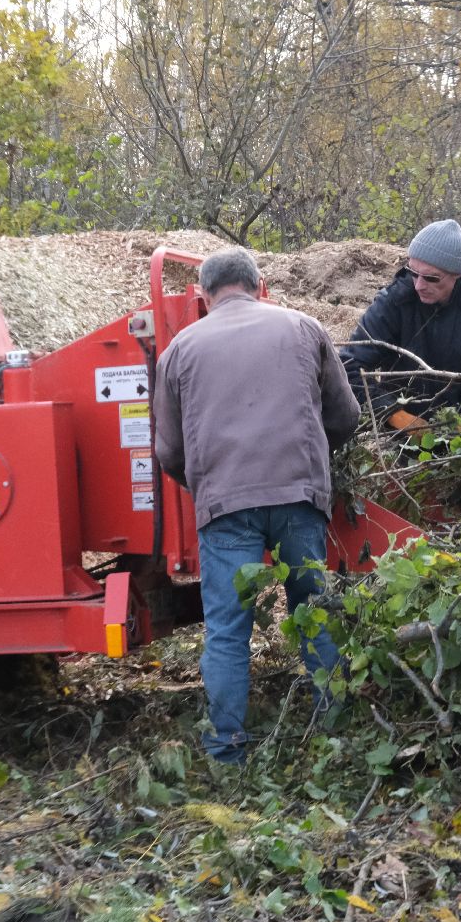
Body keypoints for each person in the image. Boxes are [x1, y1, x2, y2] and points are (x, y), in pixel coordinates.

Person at [153, 248, 361, 765]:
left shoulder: (178, 350)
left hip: (225, 506)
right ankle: (337, 738)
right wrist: (310, 462)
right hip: (298, 498)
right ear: (260, 285)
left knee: (227, 631)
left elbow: (169, 452)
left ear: (204, 296)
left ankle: (227, 753)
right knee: (313, 614)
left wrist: (208, 487)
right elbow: (345, 416)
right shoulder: (305, 328)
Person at [340, 219, 461, 429]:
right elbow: (350, 366)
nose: (419, 285)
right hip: (397, 427)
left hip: (459, 422)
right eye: (413, 273)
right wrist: (392, 413)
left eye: (431, 278)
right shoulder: (394, 302)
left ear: (456, 274)